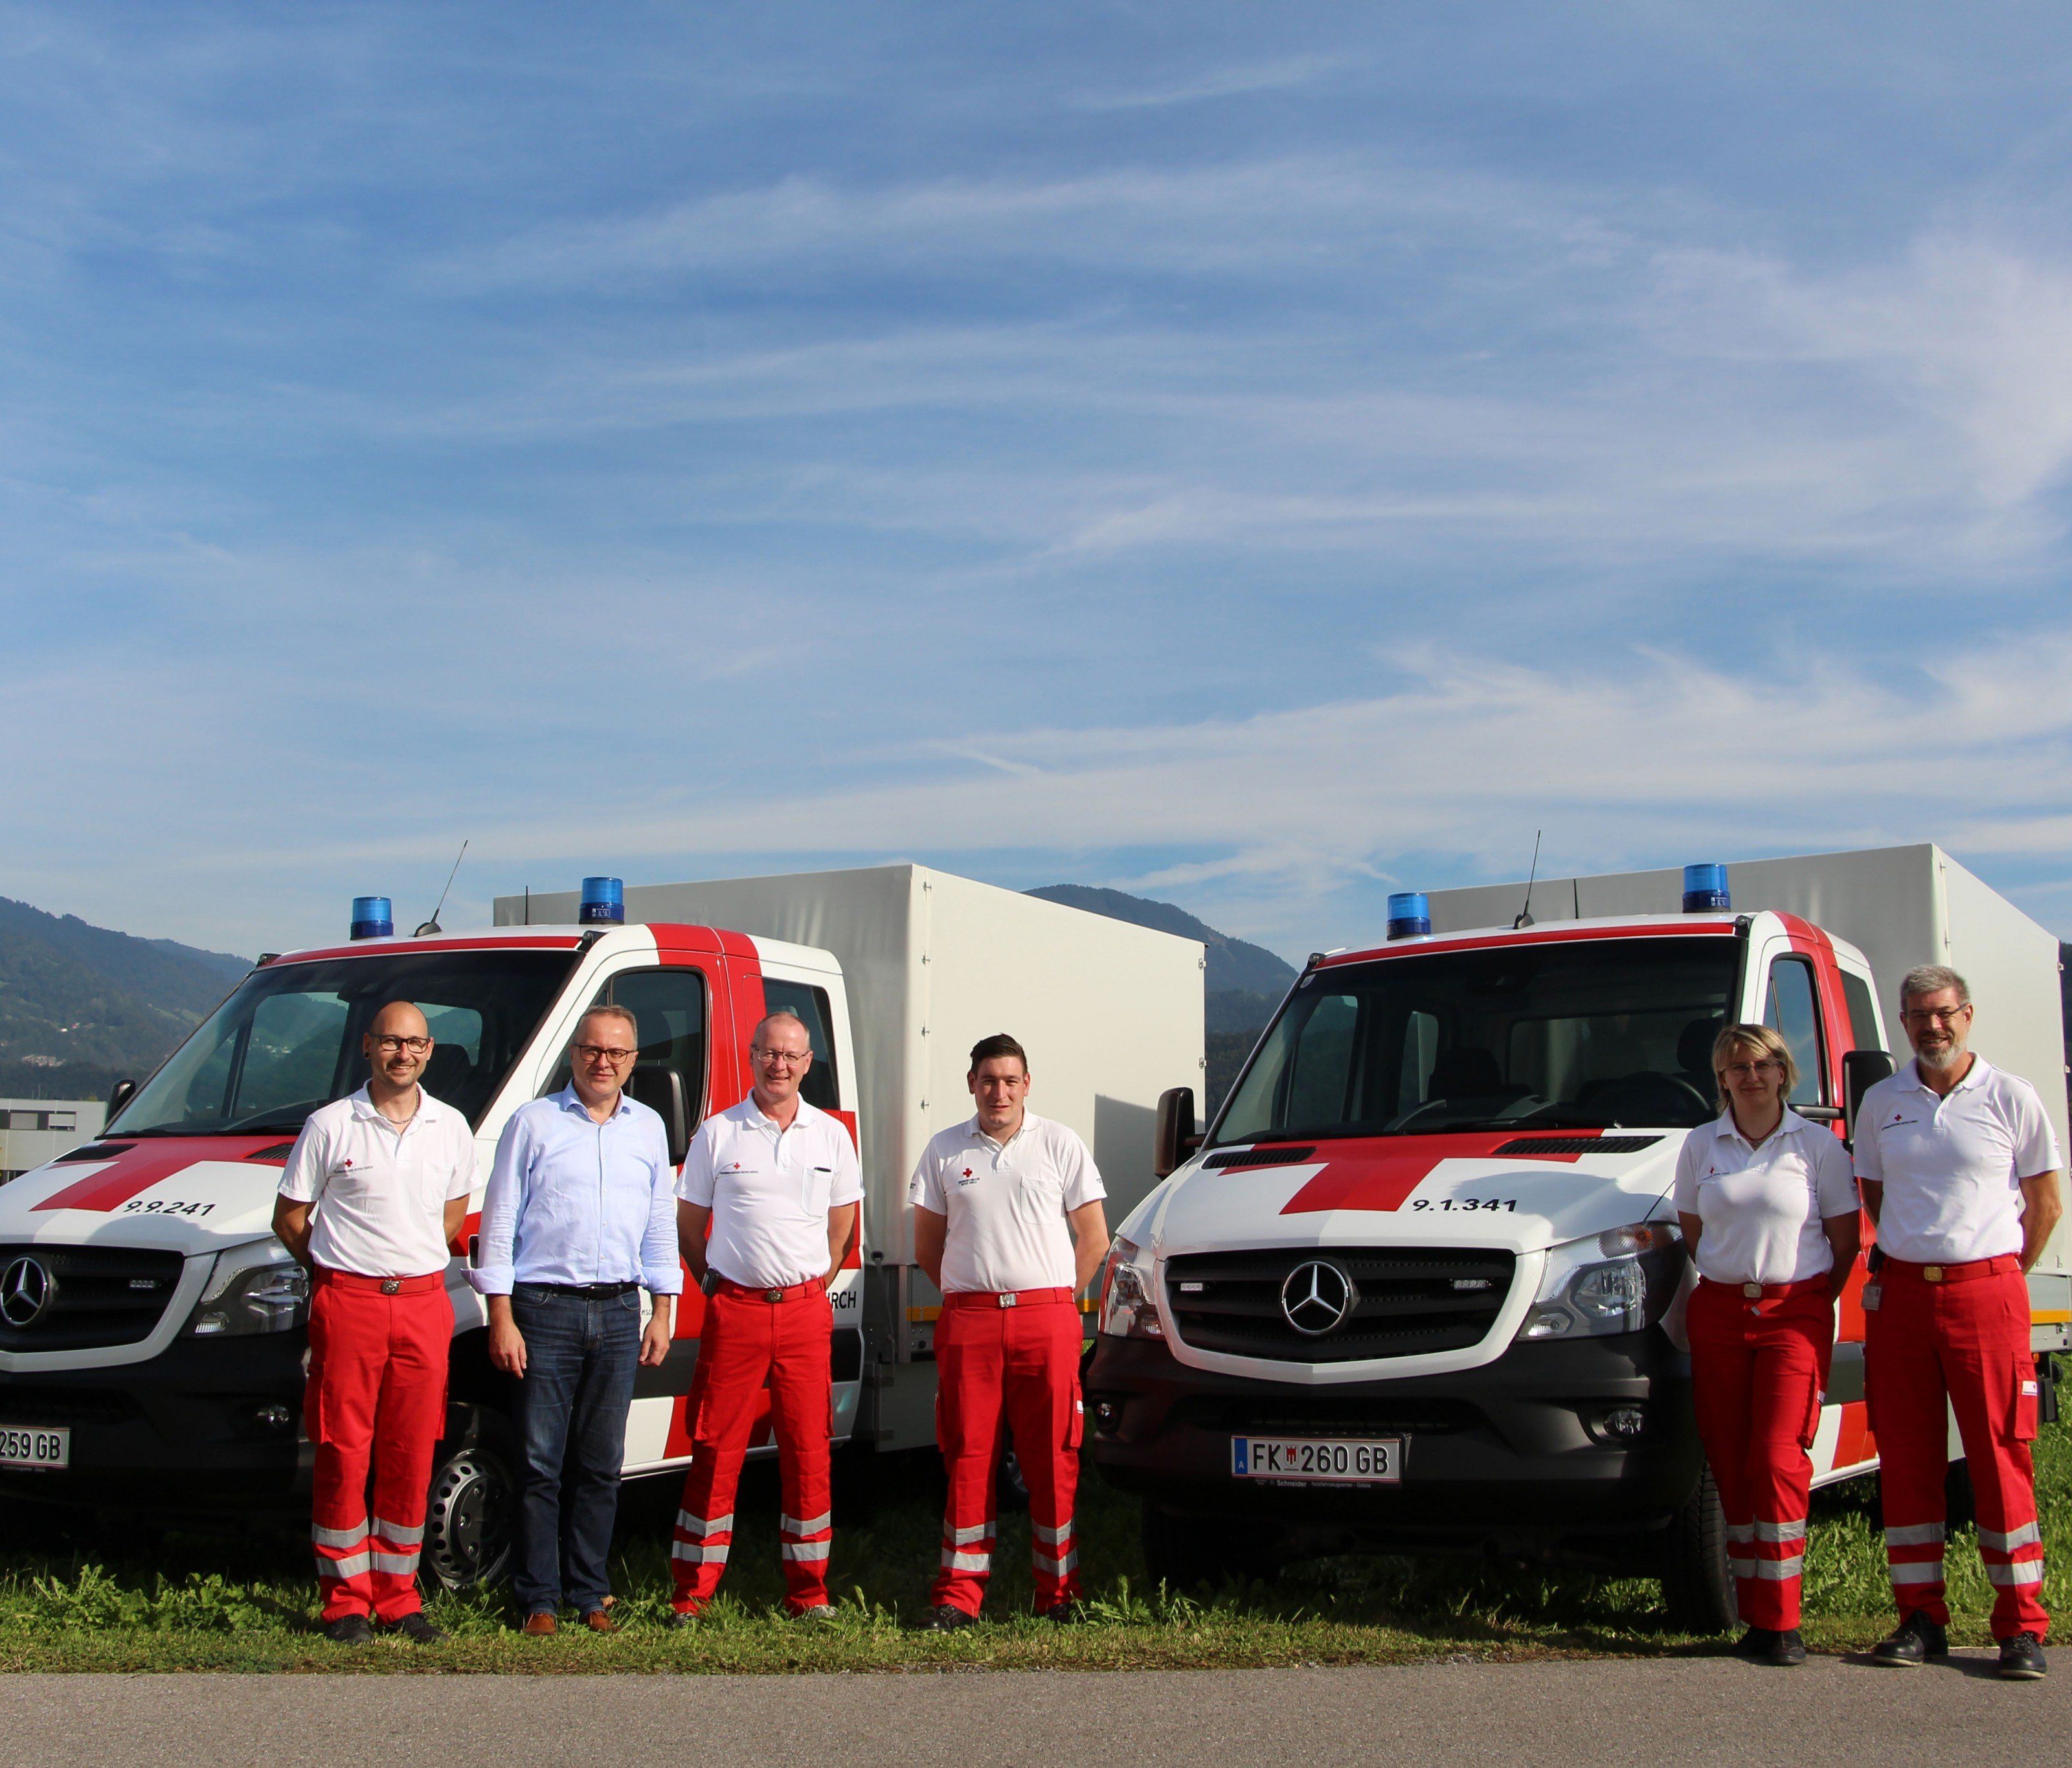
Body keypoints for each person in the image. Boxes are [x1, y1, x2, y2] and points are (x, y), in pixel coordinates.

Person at [1856, 964, 2064, 1679]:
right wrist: (1921, 1254)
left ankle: (2019, 1628)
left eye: (1941, 1013)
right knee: (1906, 1457)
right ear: (1903, 1021)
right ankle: (1918, 1618)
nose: (1930, 1026)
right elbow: (1876, 1195)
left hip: (1987, 1296)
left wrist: (1995, 1270)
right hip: (1904, 1298)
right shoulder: (1881, 1101)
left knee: (1998, 1456)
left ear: (1966, 1015)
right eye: (1916, 1015)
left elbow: (2042, 1204)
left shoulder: (2010, 1096)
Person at [473, 1004, 681, 1635]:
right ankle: (538, 1597)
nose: (603, 1062)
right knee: (540, 1464)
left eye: (617, 1053)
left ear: (633, 1062)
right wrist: (500, 1316)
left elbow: (659, 1224)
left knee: (599, 1465)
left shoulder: (647, 1129)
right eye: (593, 1050)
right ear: (574, 1055)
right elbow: (500, 1220)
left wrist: (662, 1311)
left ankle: (589, 1593)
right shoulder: (531, 1123)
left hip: (619, 1311)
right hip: (543, 1311)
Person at [273, 1000, 476, 1645]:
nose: (403, 1054)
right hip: (349, 1301)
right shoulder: (331, 1125)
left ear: (430, 1049)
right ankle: (345, 1604)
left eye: (414, 1043)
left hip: (420, 1302)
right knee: (342, 1449)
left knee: (412, 1451)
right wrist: (338, 1269)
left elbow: (450, 1220)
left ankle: (398, 1595)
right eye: (391, 1042)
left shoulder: (450, 1127)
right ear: (368, 1047)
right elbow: (290, 1219)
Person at [1673, 1023, 1860, 1667]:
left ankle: (1782, 1624)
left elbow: (1844, 1243)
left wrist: (1806, 1300)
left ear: (1783, 1070)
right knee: (1729, 1461)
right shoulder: (1700, 1147)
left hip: (1793, 1314)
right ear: (1720, 1078)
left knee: (1777, 1458)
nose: (1747, 1077)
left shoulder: (1815, 1147)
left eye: (1758, 1065)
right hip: (1720, 1311)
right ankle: (1752, 1615)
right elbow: (1693, 1233)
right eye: (1733, 1067)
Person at [668, 1010, 861, 1621]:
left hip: (805, 1315)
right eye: (768, 1053)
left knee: (809, 1448)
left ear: (808, 1065)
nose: (778, 1064)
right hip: (737, 1312)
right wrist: (716, 1285)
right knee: (715, 1445)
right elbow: (689, 1226)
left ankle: (809, 1591)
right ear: (751, 1057)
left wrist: (810, 1286)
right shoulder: (718, 1132)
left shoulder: (831, 1135)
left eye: (791, 1056)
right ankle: (691, 1593)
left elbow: (840, 1232)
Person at [910, 1033, 1108, 1629]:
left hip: (1045, 1319)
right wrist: (973, 1292)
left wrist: (1054, 1300)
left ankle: (1058, 1594)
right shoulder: (944, 1150)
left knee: (1054, 1456)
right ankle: (959, 1597)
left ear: (1028, 1085)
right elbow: (928, 1247)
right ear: (971, 1083)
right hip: (970, 1319)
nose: (999, 1091)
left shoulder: (1059, 1143)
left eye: (1010, 1080)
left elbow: (1094, 1238)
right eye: (988, 1080)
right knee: (968, 1455)